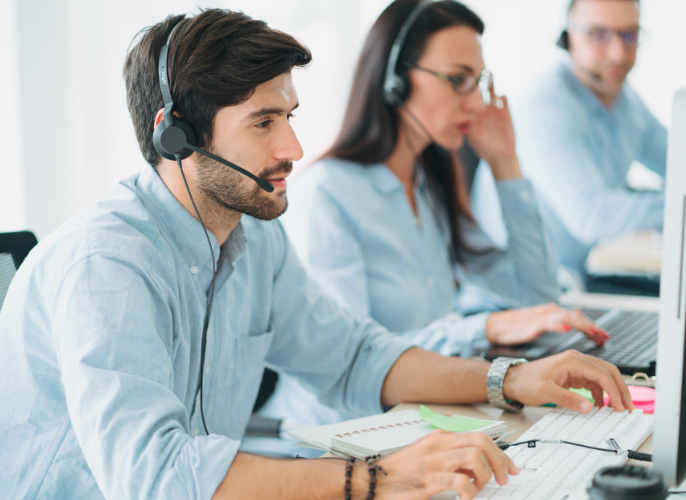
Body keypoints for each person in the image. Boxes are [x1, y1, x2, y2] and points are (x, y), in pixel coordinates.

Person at [0, 8, 633, 500]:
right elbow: (155, 478)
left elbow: (355, 355)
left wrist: (510, 379)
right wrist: (380, 479)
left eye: (290, 118)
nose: (293, 150)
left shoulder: (253, 237)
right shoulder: (108, 265)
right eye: (263, 123)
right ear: (176, 138)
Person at [261, 0, 609, 427]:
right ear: (395, 83)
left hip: (425, 415)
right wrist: (487, 328)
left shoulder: (429, 184)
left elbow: (537, 295)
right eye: (458, 80)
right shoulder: (329, 194)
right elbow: (352, 360)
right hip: (343, 436)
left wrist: (505, 163)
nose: (477, 103)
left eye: (478, 82)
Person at [471, 0, 667, 280]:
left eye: (629, 35)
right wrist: (675, 207)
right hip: (521, 294)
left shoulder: (626, 101)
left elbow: (676, 163)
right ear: (567, 38)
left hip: (579, 277)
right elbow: (592, 217)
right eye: (599, 35)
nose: (618, 53)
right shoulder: (545, 107)